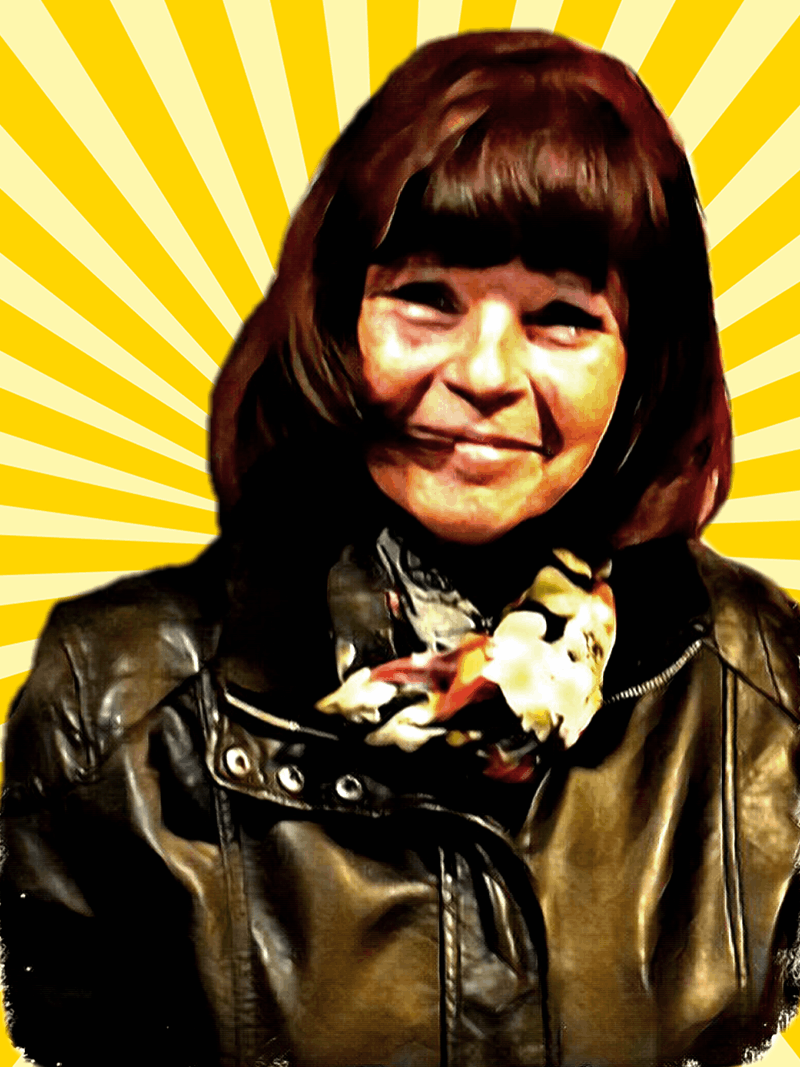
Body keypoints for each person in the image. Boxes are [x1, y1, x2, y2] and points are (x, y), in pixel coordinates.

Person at [2, 28, 799, 1067]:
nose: (484, 373)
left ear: (643, 365)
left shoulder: (767, 695)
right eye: (425, 297)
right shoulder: (110, 702)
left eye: (562, 317)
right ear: (336, 314)